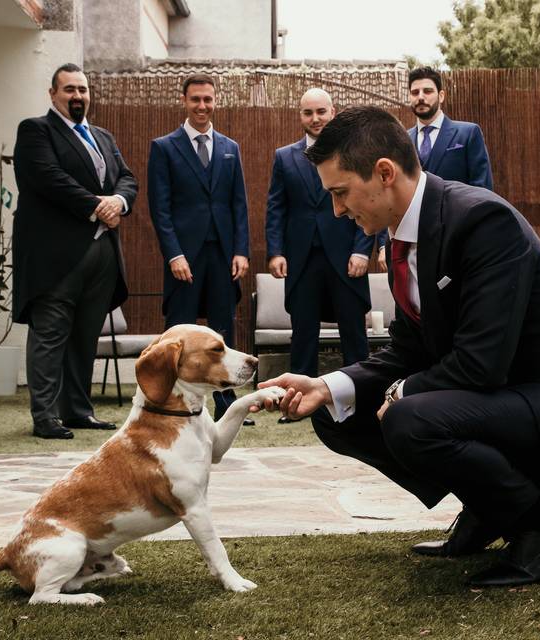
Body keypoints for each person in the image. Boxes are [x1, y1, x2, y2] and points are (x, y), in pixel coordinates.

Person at [260, 106, 540, 587]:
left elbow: (481, 363)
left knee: (411, 418)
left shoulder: (482, 220)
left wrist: (399, 394)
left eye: (341, 193)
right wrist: (328, 386)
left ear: (384, 173)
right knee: (334, 410)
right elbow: (408, 349)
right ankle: (491, 507)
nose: (338, 211)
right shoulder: (400, 237)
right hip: (494, 394)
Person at [12, 63, 138, 439]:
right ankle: (46, 416)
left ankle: (78, 411)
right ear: (53, 94)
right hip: (55, 257)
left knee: (85, 337)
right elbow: (48, 178)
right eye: (69, 89)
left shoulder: (103, 136)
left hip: (101, 257)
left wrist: (119, 200)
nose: (77, 96)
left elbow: (127, 177)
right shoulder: (36, 131)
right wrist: (97, 206)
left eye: (82, 89)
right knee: (50, 336)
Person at [147, 74, 252, 423]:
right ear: (184, 101)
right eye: (196, 100)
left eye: (208, 99)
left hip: (223, 255)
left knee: (223, 328)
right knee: (180, 331)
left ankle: (225, 404)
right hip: (184, 257)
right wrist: (174, 254)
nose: (202, 106)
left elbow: (239, 204)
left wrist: (241, 251)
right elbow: (160, 209)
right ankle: (172, 401)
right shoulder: (164, 147)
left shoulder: (229, 148)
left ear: (215, 100)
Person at [264, 89, 373, 423]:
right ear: (300, 116)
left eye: (321, 112)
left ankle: (361, 402)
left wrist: (362, 249)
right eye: (308, 113)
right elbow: (276, 207)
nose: (315, 119)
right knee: (304, 335)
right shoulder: (284, 157)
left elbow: (369, 200)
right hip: (302, 260)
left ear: (333, 112)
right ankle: (296, 406)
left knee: (353, 334)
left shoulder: (354, 153)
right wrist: (276, 252)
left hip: (345, 257)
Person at [376, 65, 493, 271]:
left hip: (455, 239)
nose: (421, 97)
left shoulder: (467, 133)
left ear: (441, 95)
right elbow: (387, 192)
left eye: (427, 91)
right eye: (415, 92)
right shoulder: (399, 140)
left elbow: (481, 190)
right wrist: (384, 245)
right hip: (408, 243)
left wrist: (477, 237)